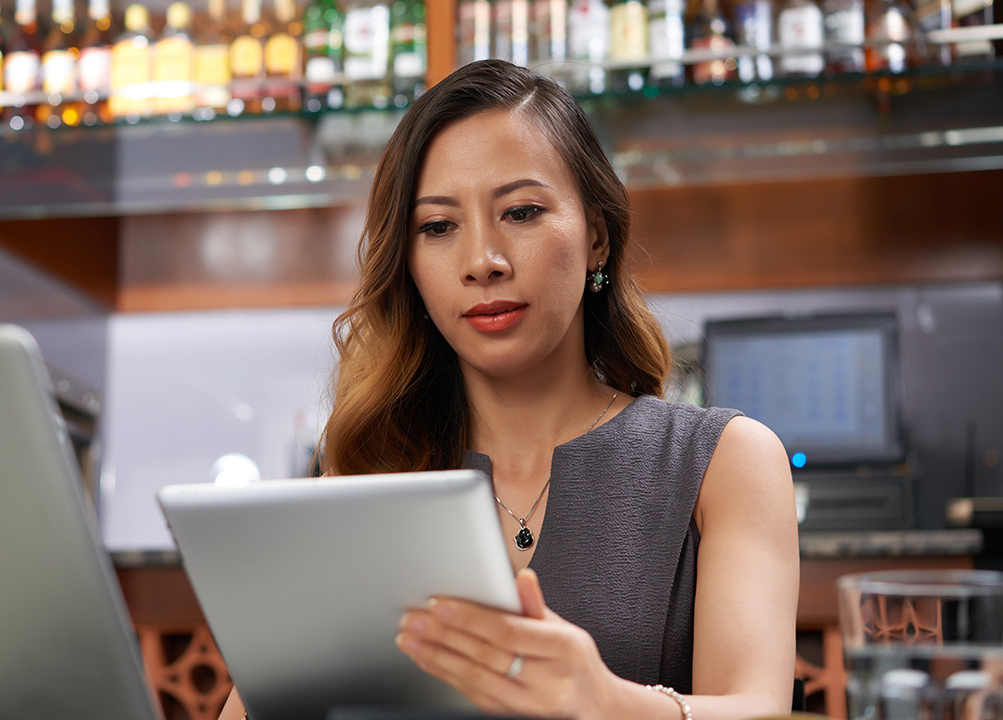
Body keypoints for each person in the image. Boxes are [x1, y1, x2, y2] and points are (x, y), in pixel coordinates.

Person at [219, 59, 799, 720]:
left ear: (597, 237)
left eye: (520, 212)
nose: (482, 262)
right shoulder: (362, 481)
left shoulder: (727, 461)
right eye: (438, 227)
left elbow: (758, 707)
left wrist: (609, 703)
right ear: (407, 265)